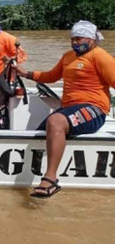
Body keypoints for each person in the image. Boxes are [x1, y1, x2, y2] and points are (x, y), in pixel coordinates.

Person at [16, 20, 115, 198]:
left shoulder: (100, 56)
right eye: (73, 39)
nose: (75, 42)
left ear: (92, 39)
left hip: (95, 109)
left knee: (55, 121)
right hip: (69, 108)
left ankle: (51, 179)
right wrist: (27, 74)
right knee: (40, 132)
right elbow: (52, 76)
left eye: (79, 38)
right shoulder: (68, 56)